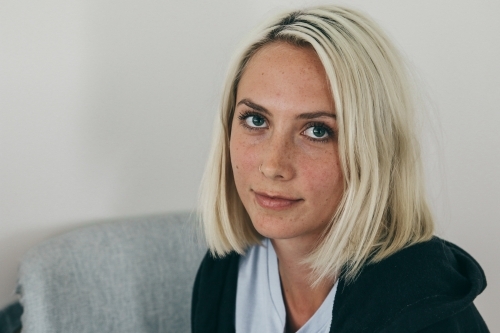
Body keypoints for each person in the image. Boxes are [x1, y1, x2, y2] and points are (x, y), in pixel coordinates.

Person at [191, 5, 489, 333]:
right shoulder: (225, 273)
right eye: (256, 120)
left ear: (374, 150)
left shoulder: (424, 314)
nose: (273, 165)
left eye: (317, 130)